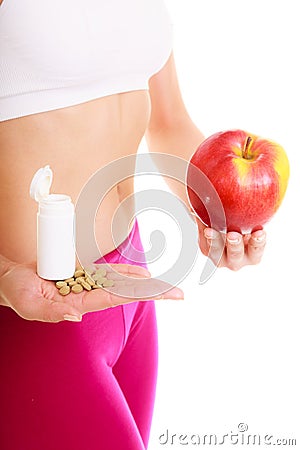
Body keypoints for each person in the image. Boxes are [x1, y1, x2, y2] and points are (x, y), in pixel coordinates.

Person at [0, 1, 266, 449]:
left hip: (130, 280)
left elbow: (169, 121)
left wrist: (220, 212)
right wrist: (5, 277)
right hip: (34, 307)